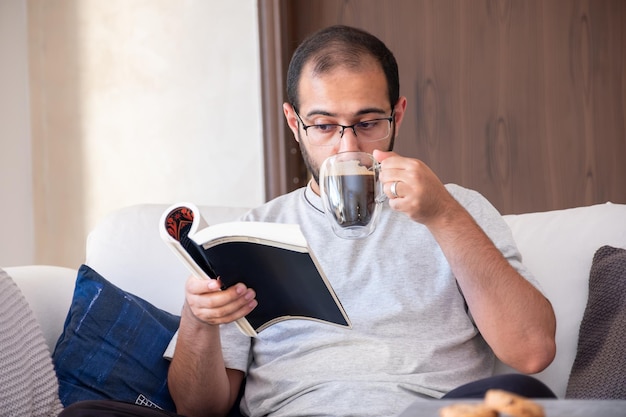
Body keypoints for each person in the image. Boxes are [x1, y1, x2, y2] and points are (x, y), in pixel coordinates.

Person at [60, 24, 556, 417]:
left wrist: (444, 215)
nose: (347, 146)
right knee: (88, 414)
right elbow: (199, 407)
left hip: (427, 411)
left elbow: (532, 351)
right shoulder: (252, 235)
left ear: (397, 115)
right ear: (294, 122)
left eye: (368, 123)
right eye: (323, 126)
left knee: (524, 392)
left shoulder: (455, 207)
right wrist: (199, 320)